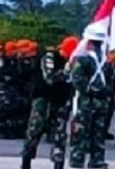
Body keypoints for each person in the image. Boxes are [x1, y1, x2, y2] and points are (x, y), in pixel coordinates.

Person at [20, 36, 78, 169]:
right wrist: (67, 70)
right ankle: (26, 162)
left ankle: (58, 164)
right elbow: (49, 78)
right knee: (34, 131)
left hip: (61, 102)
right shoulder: (50, 57)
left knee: (60, 135)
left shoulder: (73, 62)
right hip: (43, 100)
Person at [69, 23, 111, 169]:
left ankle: (77, 162)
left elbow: (77, 80)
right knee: (98, 136)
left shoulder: (84, 60)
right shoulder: (107, 63)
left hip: (86, 103)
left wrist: (89, 90)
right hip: (102, 103)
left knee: (81, 135)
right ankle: (97, 162)